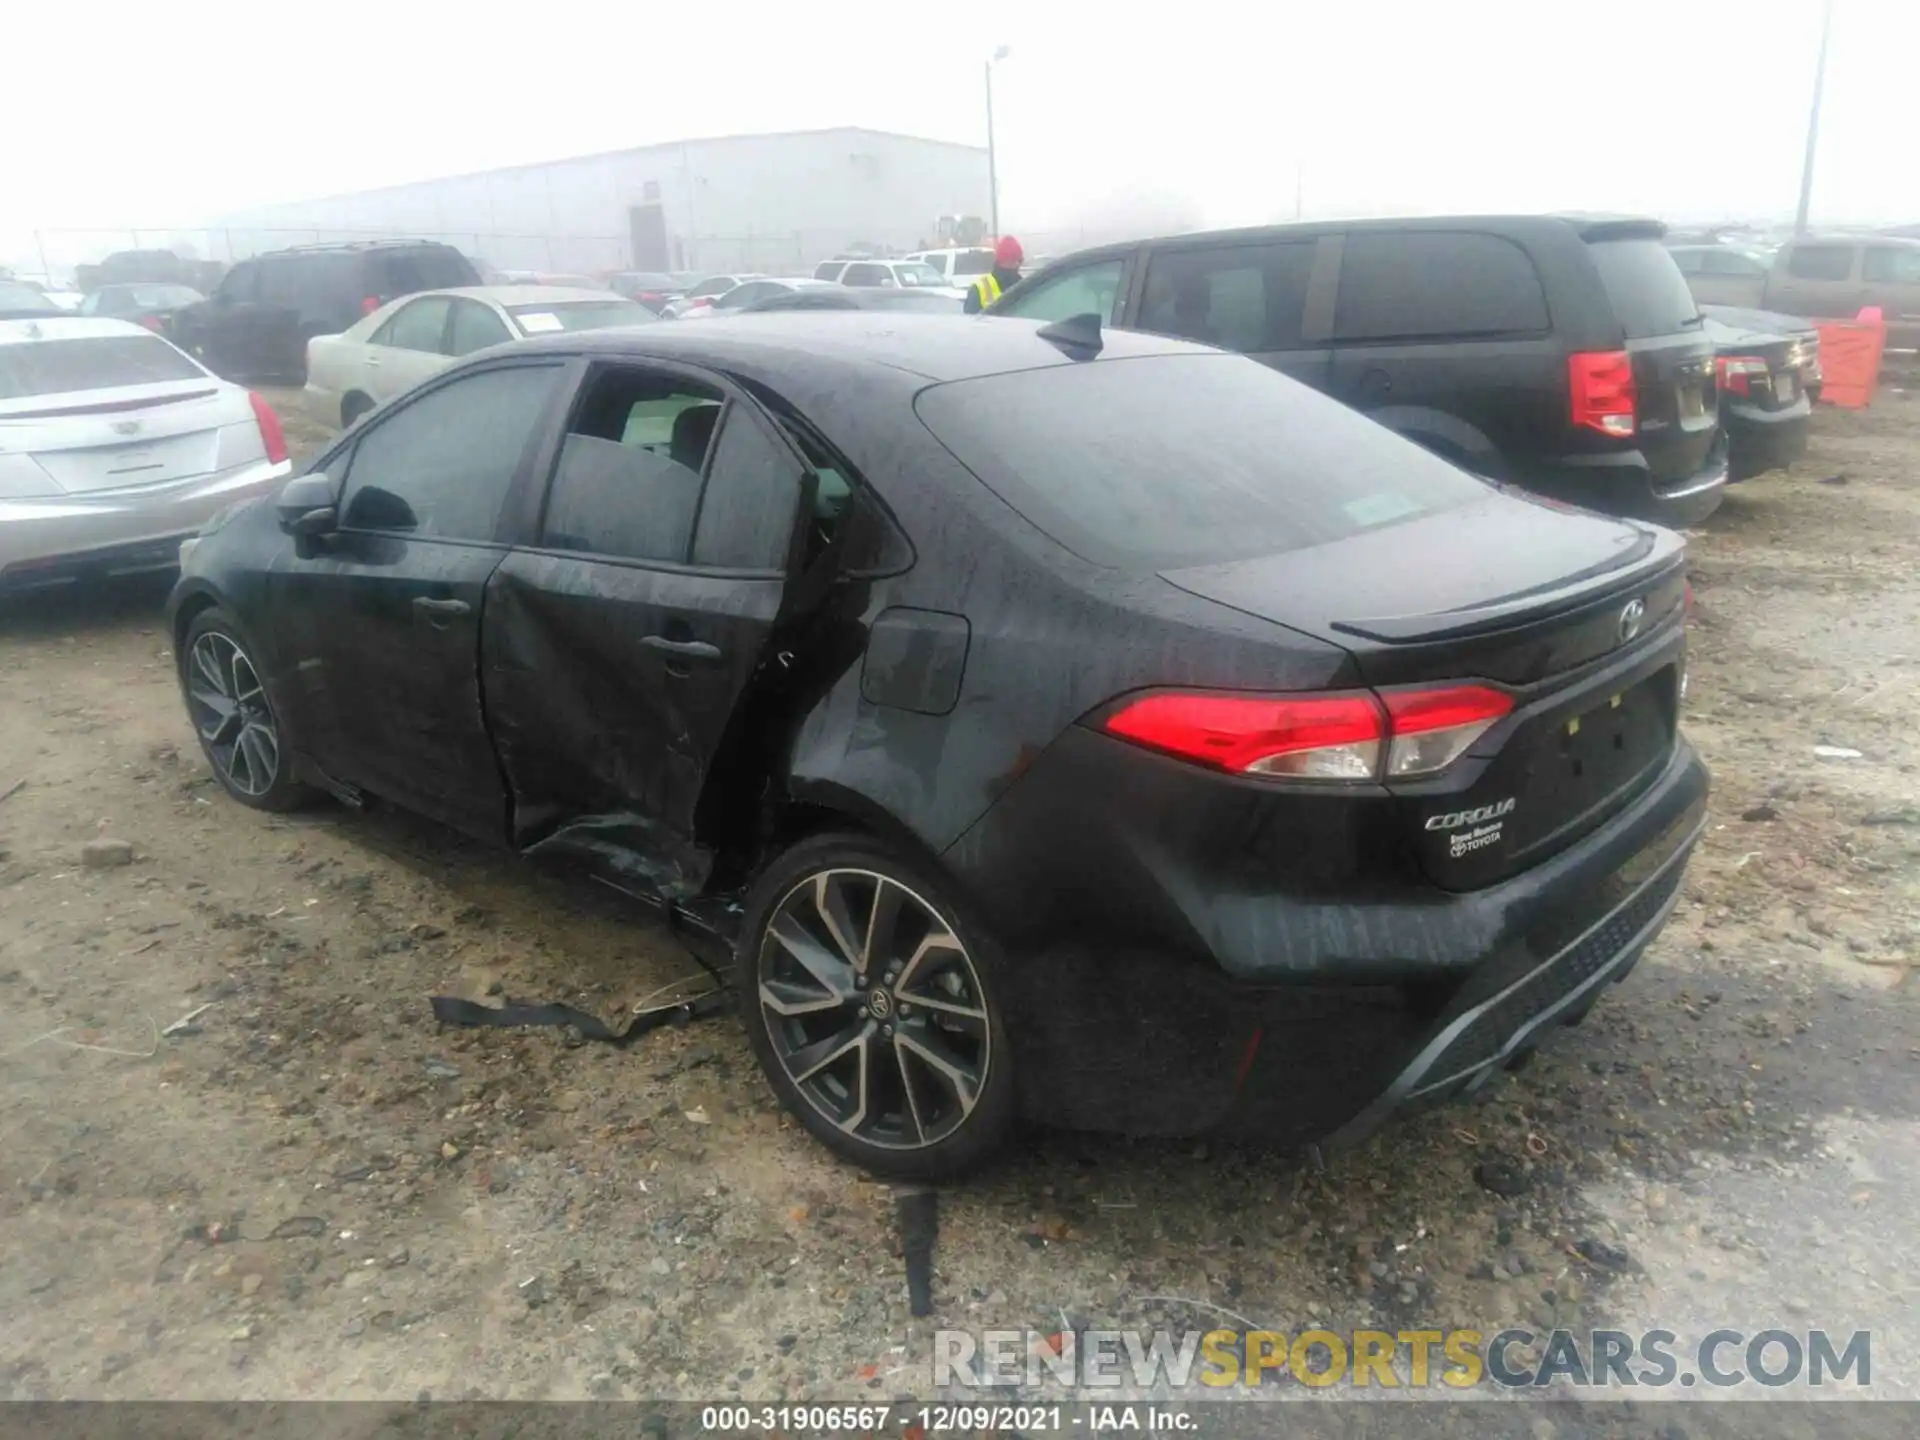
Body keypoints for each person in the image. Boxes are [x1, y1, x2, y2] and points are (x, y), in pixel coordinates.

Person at [964, 236, 1024, 313]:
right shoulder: (1022, 287)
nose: (1020, 265)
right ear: (1014, 261)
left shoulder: (979, 287)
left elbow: (969, 320)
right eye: (1020, 260)